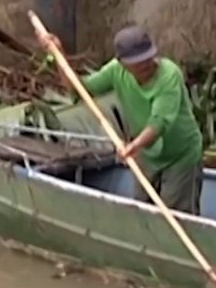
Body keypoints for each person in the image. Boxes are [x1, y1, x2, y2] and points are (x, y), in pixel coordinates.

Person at [37, 25, 205, 215]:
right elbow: (80, 89)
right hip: (147, 156)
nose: (145, 65)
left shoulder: (169, 75)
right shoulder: (116, 72)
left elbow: (159, 122)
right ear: (122, 62)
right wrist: (59, 56)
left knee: (177, 215)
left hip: (179, 156)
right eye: (137, 62)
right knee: (143, 212)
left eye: (147, 58)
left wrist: (134, 146)